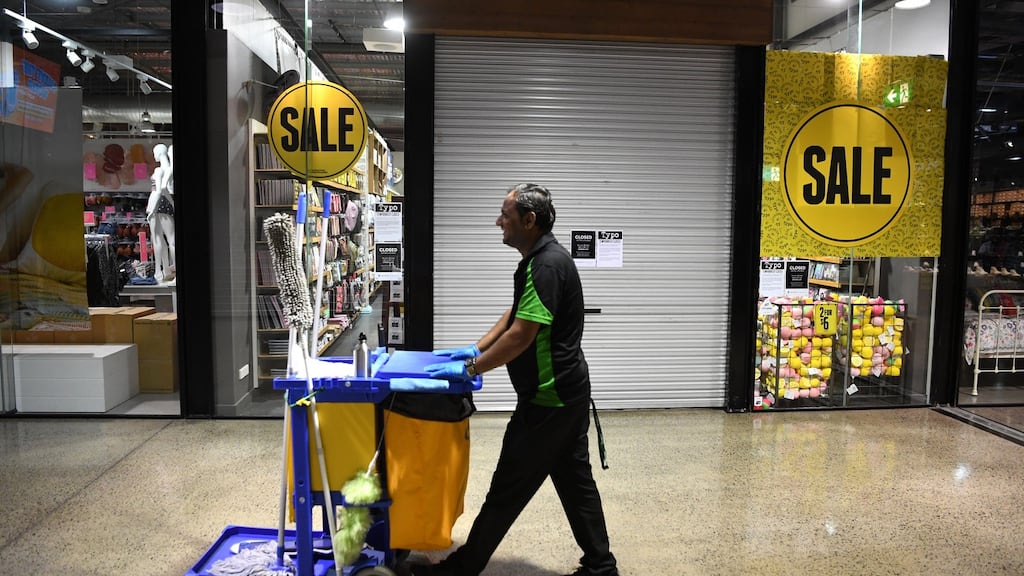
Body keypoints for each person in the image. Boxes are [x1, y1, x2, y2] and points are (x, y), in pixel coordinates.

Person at [417, 183, 619, 576]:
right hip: (567, 395)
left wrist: (473, 370)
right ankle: (601, 566)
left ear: (530, 220)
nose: (499, 222)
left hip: (549, 399)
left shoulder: (546, 264)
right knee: (575, 482)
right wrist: (474, 349)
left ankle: (462, 569)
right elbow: (513, 313)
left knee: (507, 487)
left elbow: (522, 335)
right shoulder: (540, 260)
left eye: (506, 216)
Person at [146, 143, 175, 283]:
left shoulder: (160, 170)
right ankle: (165, 271)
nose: (153, 155)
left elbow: (160, 189)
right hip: (163, 203)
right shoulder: (169, 168)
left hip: (157, 203)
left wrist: (151, 209)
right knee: (163, 239)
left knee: (160, 238)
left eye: (154, 152)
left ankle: (162, 271)